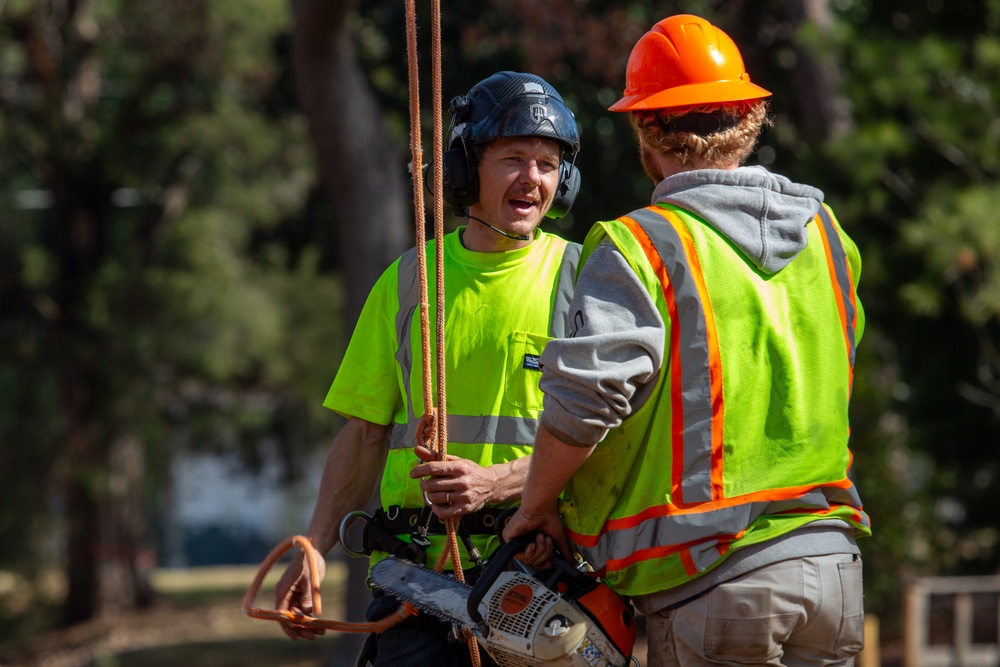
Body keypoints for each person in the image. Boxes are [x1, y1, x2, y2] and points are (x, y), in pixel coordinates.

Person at [504, 14, 871, 667]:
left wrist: (535, 507)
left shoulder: (642, 245)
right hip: (833, 569)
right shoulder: (827, 236)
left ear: (648, 130)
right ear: (750, 118)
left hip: (718, 581)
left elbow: (587, 398)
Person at [273, 71, 583, 667]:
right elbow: (364, 433)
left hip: (541, 582)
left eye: (548, 164)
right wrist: (313, 546)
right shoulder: (411, 280)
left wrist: (497, 483)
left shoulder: (587, 278)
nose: (532, 179)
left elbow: (611, 435)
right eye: (513, 158)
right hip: (415, 587)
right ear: (466, 169)